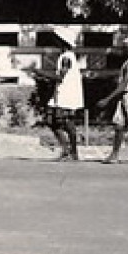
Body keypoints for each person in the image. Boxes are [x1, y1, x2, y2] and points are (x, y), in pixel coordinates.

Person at [48, 27, 85, 161]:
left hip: (66, 95)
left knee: (67, 123)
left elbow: (60, 77)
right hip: (61, 93)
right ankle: (67, 150)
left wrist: (39, 72)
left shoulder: (66, 58)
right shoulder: (66, 56)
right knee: (52, 121)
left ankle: (72, 152)